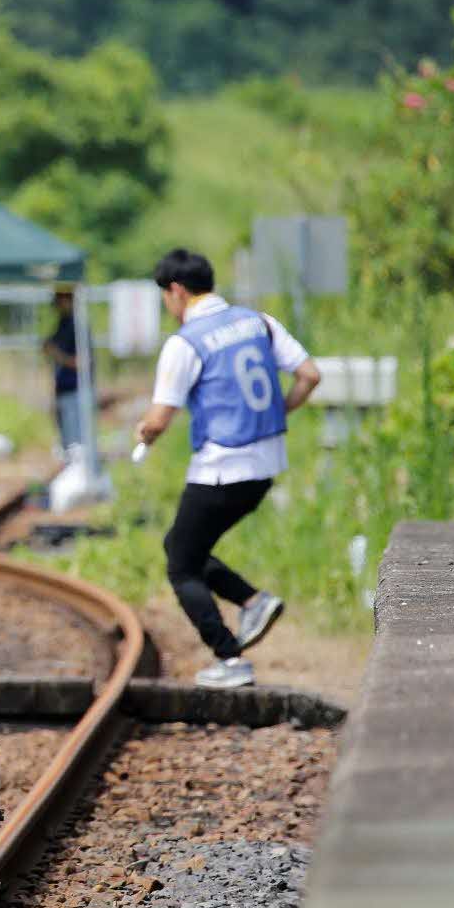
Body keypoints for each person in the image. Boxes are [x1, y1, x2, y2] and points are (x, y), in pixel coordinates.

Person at [133, 249, 322, 689]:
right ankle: (253, 600)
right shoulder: (259, 322)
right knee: (184, 548)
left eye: (166, 297)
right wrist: (276, 416)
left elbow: (160, 419)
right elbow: (309, 375)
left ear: (176, 291)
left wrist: (145, 433)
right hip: (265, 466)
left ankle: (230, 657)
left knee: (181, 566)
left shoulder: (186, 341)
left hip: (222, 468)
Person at [42, 289, 84, 452]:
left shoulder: (77, 326)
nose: (57, 307)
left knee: (76, 445)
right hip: (63, 390)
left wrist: (56, 354)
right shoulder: (63, 324)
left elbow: (83, 363)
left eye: (60, 302)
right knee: (67, 444)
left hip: (76, 392)